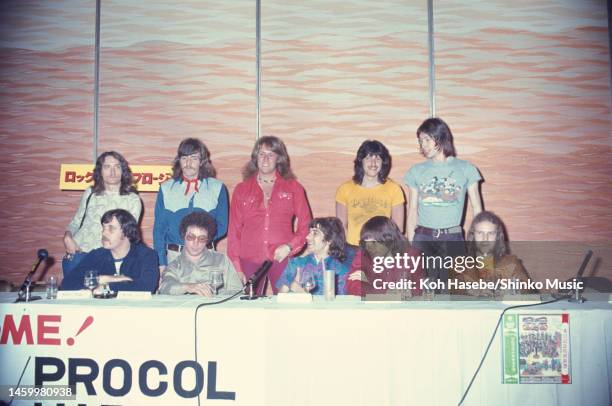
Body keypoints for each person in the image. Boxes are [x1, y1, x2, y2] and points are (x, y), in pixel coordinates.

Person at [227, 136, 312, 294]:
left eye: (271, 154)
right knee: (249, 309)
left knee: (286, 307)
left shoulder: (294, 188)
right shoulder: (241, 189)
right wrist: (237, 267)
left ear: (279, 158)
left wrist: (289, 246)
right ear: (255, 158)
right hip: (249, 260)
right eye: (261, 154)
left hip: (282, 259)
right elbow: (234, 232)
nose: (265, 159)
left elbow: (306, 225)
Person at [404, 118, 483, 285]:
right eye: (420, 141)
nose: (423, 145)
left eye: (427, 140)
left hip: (453, 237)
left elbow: (477, 210)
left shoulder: (466, 168)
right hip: (423, 238)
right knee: (423, 291)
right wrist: (412, 244)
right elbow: (412, 210)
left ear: (440, 137)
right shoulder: (415, 171)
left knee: (455, 290)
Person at [153, 138, 229, 275]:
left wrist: (199, 243)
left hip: (206, 256)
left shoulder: (217, 188)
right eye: (184, 158)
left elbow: (222, 226)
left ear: (202, 161)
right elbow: (159, 230)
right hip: (174, 258)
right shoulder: (166, 188)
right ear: (179, 161)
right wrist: (161, 262)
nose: (188, 163)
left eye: (194, 158)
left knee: (206, 295)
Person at [63, 151, 142, 276]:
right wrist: (67, 237)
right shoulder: (90, 193)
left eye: (117, 167)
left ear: (123, 171)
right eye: (107, 167)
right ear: (100, 171)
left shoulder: (132, 199)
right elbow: (76, 222)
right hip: (79, 255)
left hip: (108, 259)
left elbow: (128, 234)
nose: (112, 172)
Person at [61, 209, 159, 292]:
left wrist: (105, 286)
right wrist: (105, 279)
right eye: (103, 228)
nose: (104, 233)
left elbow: (147, 286)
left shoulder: (146, 255)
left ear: (127, 232)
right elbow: (67, 284)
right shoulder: (97, 255)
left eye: (111, 229)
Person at [336, 140, 405, 247]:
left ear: (383, 162)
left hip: (382, 249)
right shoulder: (345, 189)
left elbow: (398, 227)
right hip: (353, 248)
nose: (373, 163)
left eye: (377, 158)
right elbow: (341, 227)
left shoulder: (394, 189)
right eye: (368, 158)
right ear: (360, 161)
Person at [159, 211, 243, 296]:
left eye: (202, 239)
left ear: (207, 240)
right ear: (183, 236)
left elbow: (238, 291)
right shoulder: (175, 265)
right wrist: (188, 287)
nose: (196, 243)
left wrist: (215, 295)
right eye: (191, 237)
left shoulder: (221, 260)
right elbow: (164, 287)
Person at [453, 211, 532, 296]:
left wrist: (512, 290)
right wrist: (468, 291)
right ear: (473, 235)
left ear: (498, 237)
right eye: (480, 233)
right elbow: (450, 294)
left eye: (490, 233)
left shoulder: (512, 263)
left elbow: (530, 293)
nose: (485, 239)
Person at [346, 216, 423, 297]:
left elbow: (417, 290)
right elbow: (352, 285)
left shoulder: (411, 255)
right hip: (373, 305)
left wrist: (371, 282)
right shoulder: (363, 253)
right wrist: (387, 293)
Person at [277, 217, 349, 295]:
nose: (307, 237)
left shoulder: (340, 270)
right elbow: (279, 297)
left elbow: (340, 304)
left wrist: (303, 293)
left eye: (315, 233)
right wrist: (290, 287)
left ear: (329, 240)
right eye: (309, 233)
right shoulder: (296, 263)